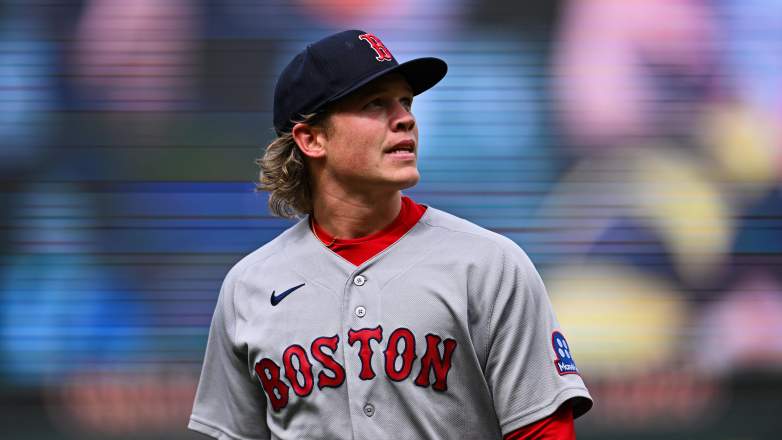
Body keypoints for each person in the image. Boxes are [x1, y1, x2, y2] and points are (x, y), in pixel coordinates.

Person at [188, 29, 592, 440]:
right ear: (312, 138)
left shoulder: (489, 264)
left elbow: (543, 431)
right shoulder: (248, 286)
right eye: (375, 103)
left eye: (405, 102)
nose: (406, 118)